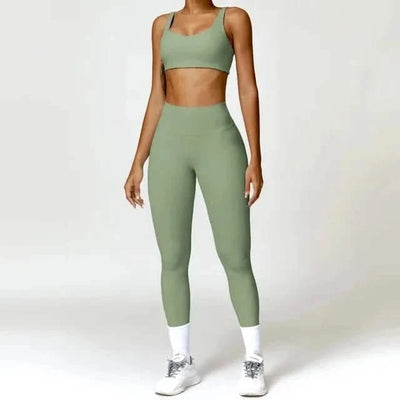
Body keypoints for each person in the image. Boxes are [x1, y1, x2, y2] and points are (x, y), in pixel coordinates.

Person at [124, 1, 266, 396]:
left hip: (218, 142)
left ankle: (254, 361)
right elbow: (157, 94)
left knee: (235, 255)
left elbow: (248, 87)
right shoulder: (161, 25)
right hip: (169, 144)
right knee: (172, 257)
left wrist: (255, 158)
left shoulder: (232, 19)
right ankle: (181, 362)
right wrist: (138, 160)